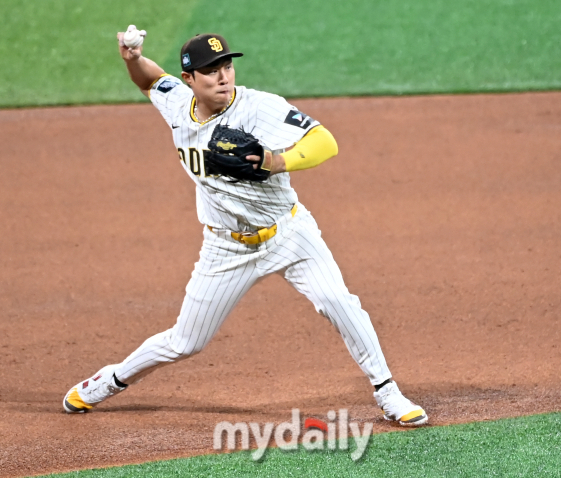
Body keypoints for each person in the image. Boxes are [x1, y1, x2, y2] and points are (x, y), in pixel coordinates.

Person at [62, 28, 428, 427]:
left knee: (338, 301)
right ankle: (111, 379)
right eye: (210, 71)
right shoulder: (177, 103)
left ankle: (387, 392)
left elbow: (325, 141)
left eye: (226, 66)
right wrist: (133, 59)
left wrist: (276, 161)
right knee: (186, 342)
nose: (223, 77)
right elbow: (151, 81)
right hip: (226, 248)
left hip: (289, 233)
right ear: (189, 80)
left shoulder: (259, 107)